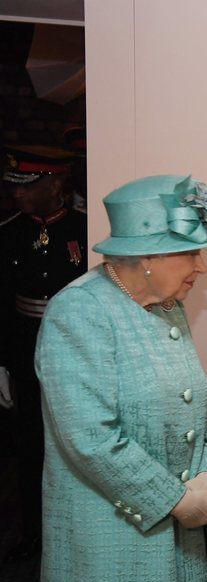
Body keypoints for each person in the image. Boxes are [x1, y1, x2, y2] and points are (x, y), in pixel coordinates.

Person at [33, 174, 207, 582]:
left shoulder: (169, 308)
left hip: (180, 528)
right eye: (191, 254)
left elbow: (200, 402)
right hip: (111, 533)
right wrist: (175, 500)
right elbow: (89, 437)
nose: (202, 267)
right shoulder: (77, 312)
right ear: (148, 257)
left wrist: (205, 475)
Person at [0, 145, 87, 559]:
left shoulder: (85, 231)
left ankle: (76, 530)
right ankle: (35, 534)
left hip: (78, 352)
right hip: (26, 351)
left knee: (80, 441)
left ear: (54, 185)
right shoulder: (8, 232)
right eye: (14, 185)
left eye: (27, 185)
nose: (17, 193)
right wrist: (2, 362)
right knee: (31, 444)